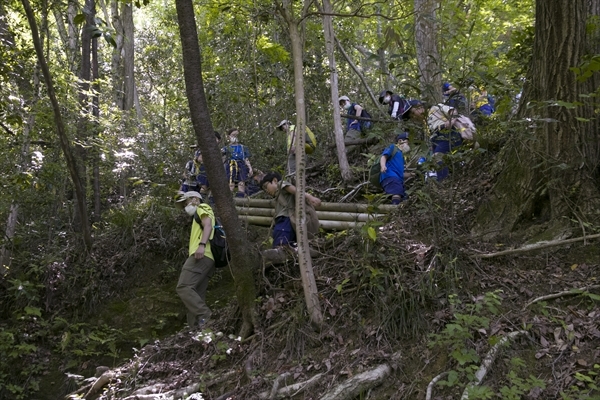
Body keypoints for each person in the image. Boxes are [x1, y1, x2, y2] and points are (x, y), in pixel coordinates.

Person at [174, 191, 216, 330]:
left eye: (186, 202)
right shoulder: (196, 216)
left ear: (195, 199)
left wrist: (202, 245)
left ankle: (207, 316)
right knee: (196, 293)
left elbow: (208, 225)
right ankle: (196, 330)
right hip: (207, 259)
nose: (186, 206)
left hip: (201, 255)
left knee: (183, 287)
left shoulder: (202, 207)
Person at [405, 100, 464, 181]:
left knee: (437, 157)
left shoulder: (435, 108)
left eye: (412, 113)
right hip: (437, 140)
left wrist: (451, 121)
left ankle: (443, 181)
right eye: (411, 116)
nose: (413, 117)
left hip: (447, 134)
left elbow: (452, 110)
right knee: (437, 158)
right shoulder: (425, 123)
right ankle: (448, 178)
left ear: (420, 107)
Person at [260, 171, 321, 248]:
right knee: (288, 246)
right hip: (286, 221)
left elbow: (294, 190)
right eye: (264, 189)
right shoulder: (278, 195)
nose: (266, 190)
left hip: (285, 220)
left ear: (274, 181)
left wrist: (310, 197)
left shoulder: (280, 184)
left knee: (281, 244)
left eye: (266, 186)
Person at [379, 133, 411, 204]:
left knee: (403, 196)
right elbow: (384, 156)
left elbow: (399, 172)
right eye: (406, 142)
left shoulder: (401, 155)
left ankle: (394, 210)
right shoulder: (393, 147)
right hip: (389, 176)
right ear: (400, 141)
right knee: (397, 193)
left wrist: (411, 175)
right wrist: (383, 166)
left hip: (396, 178)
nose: (408, 144)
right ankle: (394, 212)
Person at [222, 128, 253, 197]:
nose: (235, 137)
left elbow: (246, 158)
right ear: (229, 136)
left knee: (241, 183)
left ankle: (240, 201)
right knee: (231, 183)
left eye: (236, 135)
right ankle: (229, 201)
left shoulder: (242, 147)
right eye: (233, 135)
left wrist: (250, 168)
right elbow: (223, 159)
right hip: (230, 165)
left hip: (241, 165)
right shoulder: (226, 148)